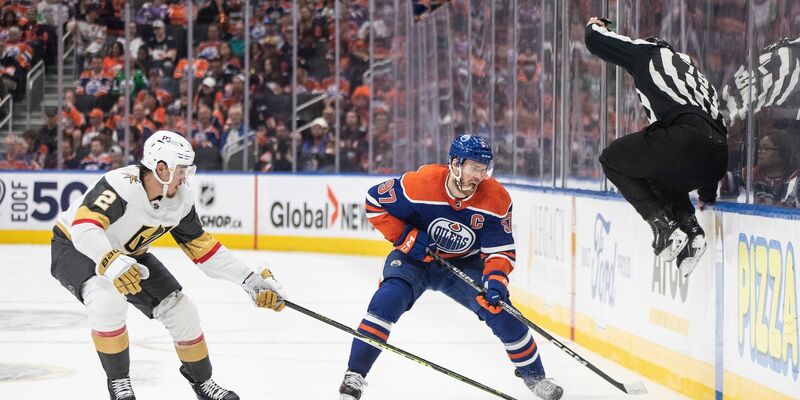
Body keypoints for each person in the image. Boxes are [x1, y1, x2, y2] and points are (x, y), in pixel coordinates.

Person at [50, 130, 288, 400]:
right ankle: (119, 384)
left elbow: (204, 249)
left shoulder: (181, 198)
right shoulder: (121, 185)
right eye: (181, 170)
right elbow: (84, 228)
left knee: (183, 312)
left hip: (128, 254)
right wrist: (111, 263)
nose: (185, 177)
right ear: (160, 168)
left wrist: (250, 280)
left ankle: (203, 383)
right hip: (76, 247)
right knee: (107, 300)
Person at [337, 134, 563, 400]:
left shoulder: (496, 199)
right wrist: (407, 238)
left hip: (465, 264)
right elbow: (374, 203)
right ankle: (355, 375)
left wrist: (496, 280)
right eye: (474, 167)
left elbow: (500, 250)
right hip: (416, 260)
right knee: (385, 302)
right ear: (455, 164)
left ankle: (535, 377)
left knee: (504, 314)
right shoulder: (419, 184)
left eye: (484, 169)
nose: (480, 175)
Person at [585, 17, 728, 277]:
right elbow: (715, 134)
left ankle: (662, 226)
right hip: (719, 155)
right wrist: (708, 194)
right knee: (661, 173)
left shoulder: (650, 53)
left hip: (685, 135)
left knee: (612, 159)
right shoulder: (700, 81)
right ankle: (691, 231)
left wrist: (595, 26)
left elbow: (596, 41)